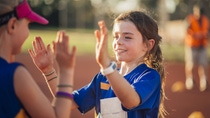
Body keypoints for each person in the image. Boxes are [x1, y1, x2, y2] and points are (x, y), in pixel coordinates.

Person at [0, 0, 76, 117]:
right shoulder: (15, 74)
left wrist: (48, 71)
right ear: (12, 25)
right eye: (27, 24)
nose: (28, 32)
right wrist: (66, 70)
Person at [184, 5, 209, 91]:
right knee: (190, 64)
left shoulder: (205, 20)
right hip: (192, 46)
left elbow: (208, 31)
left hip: (202, 46)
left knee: (203, 64)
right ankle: (189, 79)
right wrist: (197, 35)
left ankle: (203, 81)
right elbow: (187, 30)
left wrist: (205, 35)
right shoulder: (190, 20)